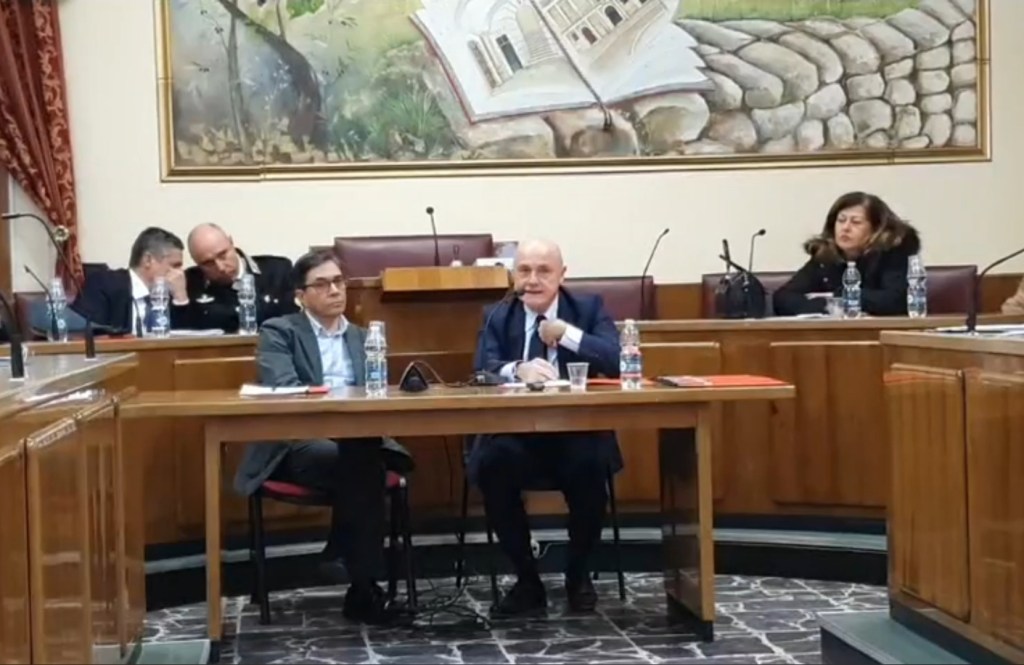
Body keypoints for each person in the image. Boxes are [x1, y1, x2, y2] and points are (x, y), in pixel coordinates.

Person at [232, 250, 414, 625]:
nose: (334, 290)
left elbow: (378, 394)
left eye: (338, 281)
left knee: (361, 457)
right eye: (323, 284)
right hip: (299, 442)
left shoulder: (364, 337)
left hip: (357, 442)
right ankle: (361, 585)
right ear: (301, 295)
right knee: (364, 461)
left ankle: (347, 564)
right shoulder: (279, 332)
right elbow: (286, 389)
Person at [470, 238, 622, 617]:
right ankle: (527, 580)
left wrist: (566, 333)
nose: (532, 280)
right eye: (524, 271)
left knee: (591, 464)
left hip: (576, 433)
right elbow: (481, 368)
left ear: (562, 275)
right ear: (513, 275)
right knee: (492, 464)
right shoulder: (498, 314)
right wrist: (516, 369)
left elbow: (617, 360)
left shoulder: (587, 308)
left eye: (543, 271)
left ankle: (578, 573)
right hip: (517, 436)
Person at [773, 192, 922, 316]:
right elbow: (783, 298)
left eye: (856, 222)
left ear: (876, 229)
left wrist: (837, 296)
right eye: (841, 220)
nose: (845, 228)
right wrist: (827, 305)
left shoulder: (893, 253)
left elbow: (895, 300)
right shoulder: (826, 255)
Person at [177, 223, 296, 331]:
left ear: (231, 242)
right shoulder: (190, 283)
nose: (220, 267)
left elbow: (294, 322)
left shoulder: (277, 271)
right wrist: (180, 300)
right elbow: (182, 335)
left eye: (223, 255)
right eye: (208, 263)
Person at [70, 227, 189, 334]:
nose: (180, 273)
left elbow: (187, 342)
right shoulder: (104, 285)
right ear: (148, 260)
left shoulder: (172, 294)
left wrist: (181, 298)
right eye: (175, 265)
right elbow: (87, 334)